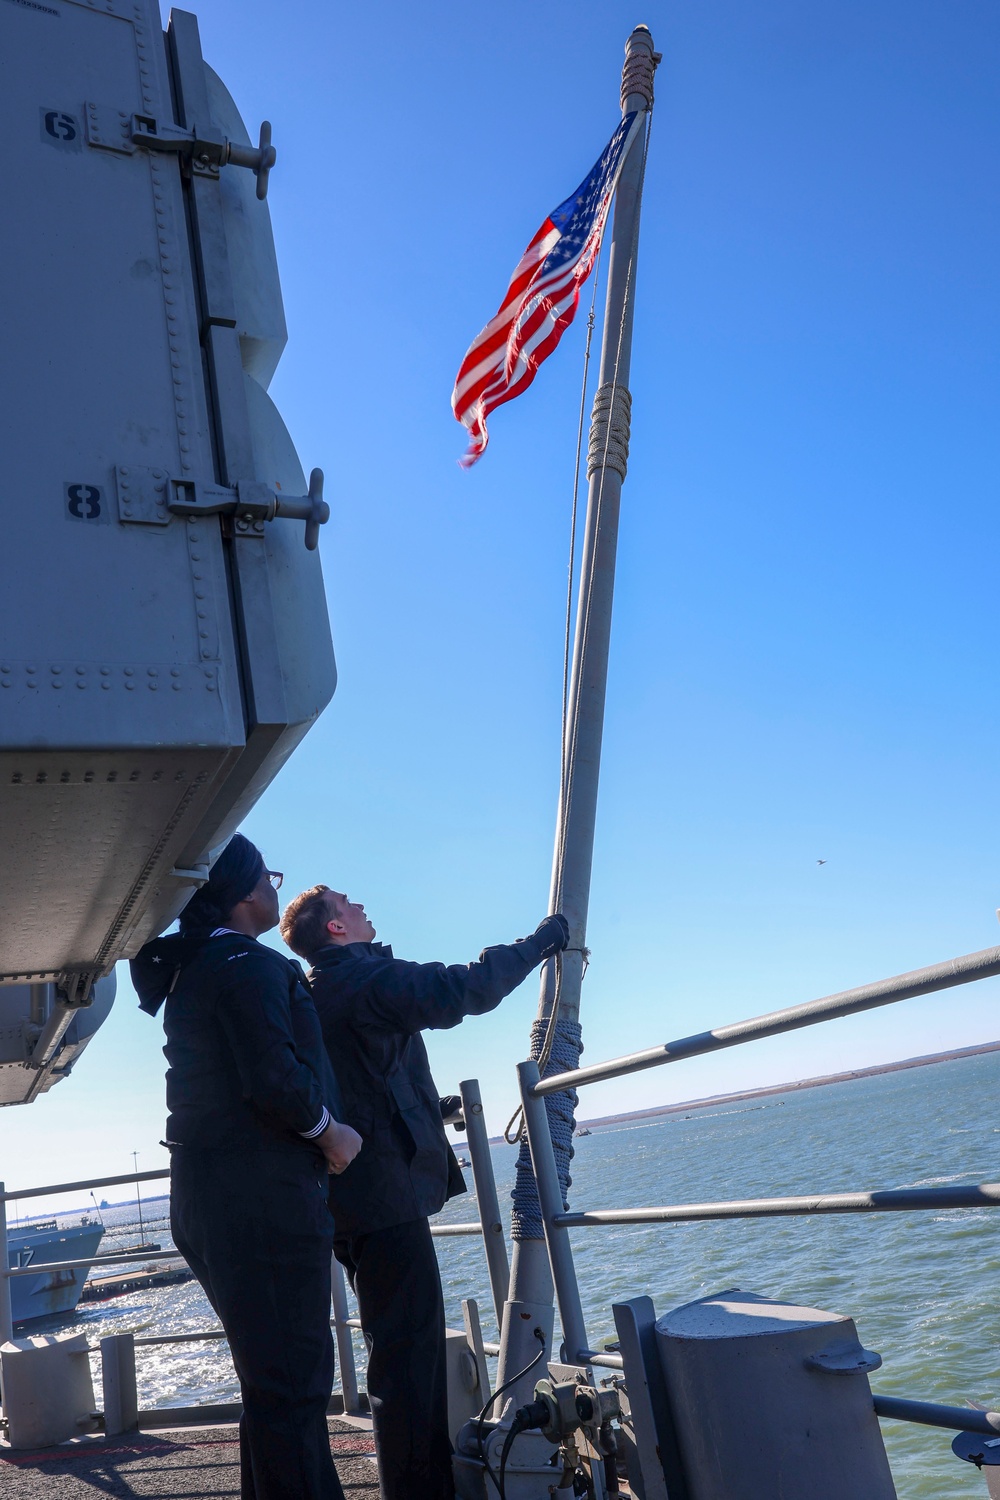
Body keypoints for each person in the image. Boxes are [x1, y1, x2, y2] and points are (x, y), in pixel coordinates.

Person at [278, 885, 570, 1500]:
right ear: (334, 929)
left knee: (397, 1349)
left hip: (349, 1199)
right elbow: (460, 989)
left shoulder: (317, 991)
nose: (362, 907)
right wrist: (542, 943)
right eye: (348, 904)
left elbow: (355, 1082)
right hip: (383, 1198)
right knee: (408, 1360)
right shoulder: (362, 979)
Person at [132, 836, 363, 1500]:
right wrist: (332, 1134)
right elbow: (275, 1079)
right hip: (260, 1199)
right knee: (293, 1388)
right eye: (269, 877)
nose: (273, 887)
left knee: (271, 1388)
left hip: (210, 1197)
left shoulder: (198, 967)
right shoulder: (247, 965)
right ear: (242, 892)